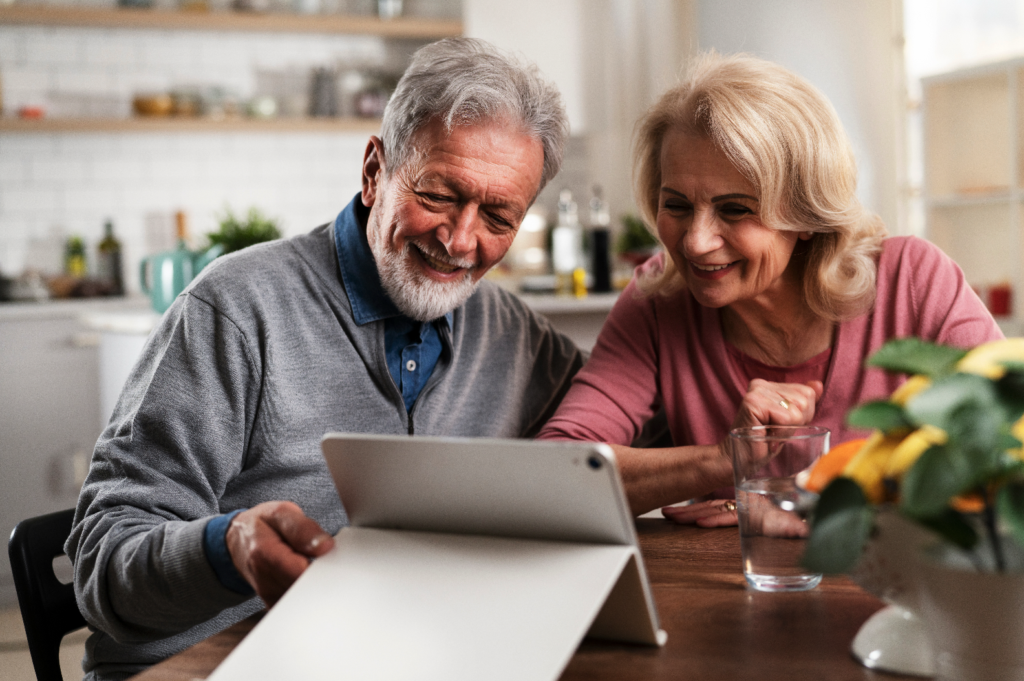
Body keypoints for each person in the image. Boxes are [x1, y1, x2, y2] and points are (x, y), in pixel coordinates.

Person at [67, 37, 584, 681]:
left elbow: (636, 412)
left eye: (499, 216)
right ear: (374, 171)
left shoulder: (509, 330)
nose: (460, 240)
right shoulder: (235, 309)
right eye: (440, 195)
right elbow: (102, 563)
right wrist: (229, 547)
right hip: (202, 667)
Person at [539, 52, 1002, 525]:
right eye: (676, 204)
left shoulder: (912, 280)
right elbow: (554, 473)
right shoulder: (658, 297)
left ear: (806, 215)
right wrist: (721, 461)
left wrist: (800, 512)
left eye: (736, 210)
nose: (696, 242)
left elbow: (1009, 451)